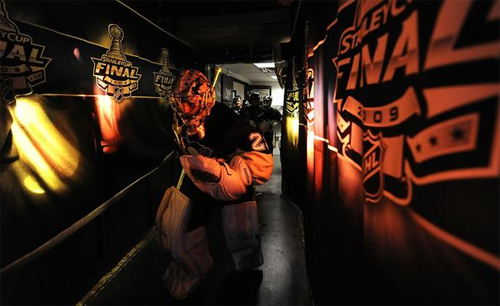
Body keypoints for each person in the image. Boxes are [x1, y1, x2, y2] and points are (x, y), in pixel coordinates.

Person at [155, 69, 273, 300]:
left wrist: (237, 174)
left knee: (241, 233)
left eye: (189, 104)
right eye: (179, 103)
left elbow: (264, 162)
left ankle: (247, 270)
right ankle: (193, 266)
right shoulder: (176, 118)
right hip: (200, 179)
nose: (182, 109)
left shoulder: (229, 122)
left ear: (204, 100)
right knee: (179, 226)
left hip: (229, 179)